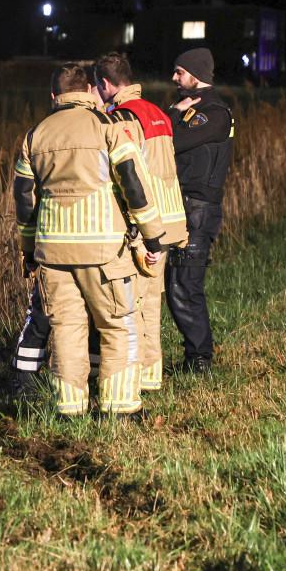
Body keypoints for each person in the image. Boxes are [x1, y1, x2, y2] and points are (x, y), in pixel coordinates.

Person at [13, 64, 165, 419]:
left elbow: (24, 202)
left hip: (52, 252)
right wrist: (153, 236)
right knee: (118, 324)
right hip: (103, 250)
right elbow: (134, 184)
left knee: (66, 329)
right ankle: (121, 408)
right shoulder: (108, 126)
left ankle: (70, 407)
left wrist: (28, 250)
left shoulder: (35, 135)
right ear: (89, 91)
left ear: (54, 96)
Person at [95, 51, 189, 392]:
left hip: (145, 224)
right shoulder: (157, 113)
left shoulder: (122, 118)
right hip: (169, 220)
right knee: (151, 303)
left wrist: (136, 228)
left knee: (131, 306)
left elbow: (129, 177)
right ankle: (151, 377)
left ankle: (134, 377)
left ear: (104, 84)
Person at [166, 47, 234, 373]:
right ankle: (196, 356)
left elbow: (169, 142)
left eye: (180, 72)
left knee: (184, 285)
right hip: (186, 207)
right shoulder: (196, 109)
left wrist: (175, 114)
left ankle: (199, 361)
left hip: (198, 209)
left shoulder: (214, 112)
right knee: (178, 284)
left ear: (196, 74)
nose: (174, 78)